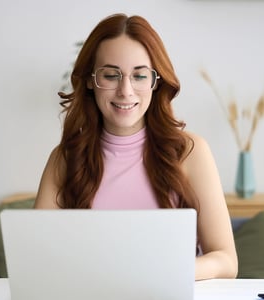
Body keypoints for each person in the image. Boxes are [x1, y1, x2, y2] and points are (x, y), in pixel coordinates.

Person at [35, 13, 238, 280]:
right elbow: (37, 258)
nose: (126, 91)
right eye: (111, 75)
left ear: (156, 82)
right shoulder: (64, 159)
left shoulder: (190, 152)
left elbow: (225, 261)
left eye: (139, 76)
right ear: (89, 80)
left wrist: (158, 271)